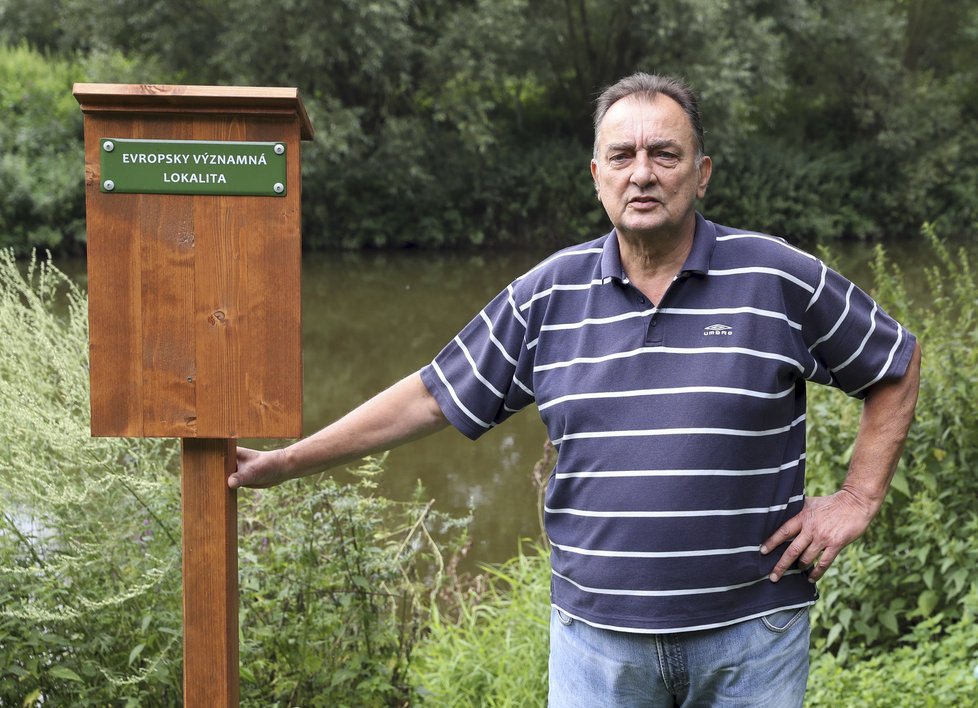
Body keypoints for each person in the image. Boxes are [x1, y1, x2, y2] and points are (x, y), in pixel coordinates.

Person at [229, 72, 921, 706]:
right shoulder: (549, 294)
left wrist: (857, 497)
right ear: (597, 176)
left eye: (665, 155)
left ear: (702, 173)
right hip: (597, 647)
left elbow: (894, 363)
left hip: (750, 637)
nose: (642, 174)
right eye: (622, 157)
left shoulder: (777, 279)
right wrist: (287, 462)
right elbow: (432, 395)